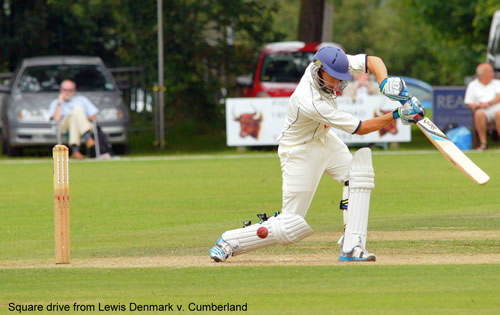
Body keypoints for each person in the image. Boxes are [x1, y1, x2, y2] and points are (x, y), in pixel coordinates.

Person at [210, 46, 425, 262]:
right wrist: (397, 113)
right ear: (318, 71)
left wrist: (385, 81)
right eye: (333, 79)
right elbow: (360, 128)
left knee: (358, 175)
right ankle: (230, 241)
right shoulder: (310, 100)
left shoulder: (333, 62)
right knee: (290, 225)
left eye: (340, 79)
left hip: (325, 139)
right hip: (299, 151)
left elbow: (373, 61)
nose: (337, 84)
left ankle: (352, 245)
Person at [48, 80, 98, 159]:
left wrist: (80, 119)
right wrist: (59, 103)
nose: (67, 92)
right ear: (61, 90)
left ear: (74, 91)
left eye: (70, 90)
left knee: (75, 116)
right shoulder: (56, 102)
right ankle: (88, 138)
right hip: (63, 126)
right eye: (65, 90)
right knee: (74, 114)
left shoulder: (82, 100)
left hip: (82, 125)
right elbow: (56, 119)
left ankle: (75, 151)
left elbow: (94, 116)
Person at [464, 63, 500, 151]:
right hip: (481, 109)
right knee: (478, 114)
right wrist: (479, 105)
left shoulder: (497, 83)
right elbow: (469, 103)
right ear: (481, 75)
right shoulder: (473, 85)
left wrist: (488, 103)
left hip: (496, 107)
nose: (492, 74)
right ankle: (483, 143)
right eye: (489, 72)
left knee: (499, 114)